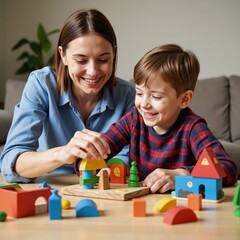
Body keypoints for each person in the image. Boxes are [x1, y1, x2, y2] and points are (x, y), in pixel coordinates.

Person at [74, 44, 238, 193]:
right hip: (140, 205)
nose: (144, 104)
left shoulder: (193, 127)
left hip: (182, 205)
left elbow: (228, 168)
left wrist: (181, 174)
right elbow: (97, 151)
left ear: (184, 99)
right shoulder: (134, 118)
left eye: (156, 97)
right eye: (139, 93)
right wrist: (96, 165)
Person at [0, 9, 135, 183]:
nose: (93, 72)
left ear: (113, 55)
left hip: (104, 188)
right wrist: (63, 153)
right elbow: (11, 163)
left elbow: (128, 159)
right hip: (49, 186)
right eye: (81, 60)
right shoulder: (42, 84)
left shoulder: (127, 95)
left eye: (103, 60)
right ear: (62, 55)